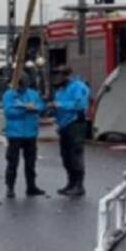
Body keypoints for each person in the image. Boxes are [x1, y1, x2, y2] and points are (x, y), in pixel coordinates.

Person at [2, 74, 45, 199]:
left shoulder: (33, 94)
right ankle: (10, 188)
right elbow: (9, 112)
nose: (22, 88)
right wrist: (25, 109)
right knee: (12, 163)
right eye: (20, 86)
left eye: (24, 86)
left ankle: (31, 187)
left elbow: (41, 106)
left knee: (31, 163)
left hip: (30, 133)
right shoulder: (9, 95)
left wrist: (35, 107)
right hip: (15, 134)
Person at [50, 66, 90, 197]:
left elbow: (80, 105)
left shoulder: (78, 87)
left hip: (75, 125)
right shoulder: (60, 90)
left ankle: (79, 186)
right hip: (64, 126)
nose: (56, 79)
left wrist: (60, 104)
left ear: (66, 76)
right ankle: (71, 183)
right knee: (66, 156)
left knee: (75, 155)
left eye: (58, 75)